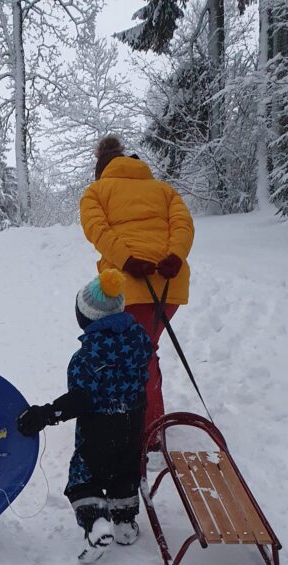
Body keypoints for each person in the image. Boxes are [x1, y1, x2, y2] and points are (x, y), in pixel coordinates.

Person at [16, 269, 152, 563]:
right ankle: (125, 523)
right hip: (134, 421)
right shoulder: (139, 340)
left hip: (99, 430)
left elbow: (81, 400)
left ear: (88, 319)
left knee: (83, 478)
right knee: (125, 471)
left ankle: (96, 523)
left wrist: (46, 414)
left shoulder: (86, 357)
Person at [80, 135, 194, 448]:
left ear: (102, 168)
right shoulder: (163, 190)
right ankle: (141, 421)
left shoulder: (96, 191)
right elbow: (183, 224)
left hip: (128, 284)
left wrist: (126, 260)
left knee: (135, 355)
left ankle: (145, 429)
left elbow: (96, 230)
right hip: (169, 283)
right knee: (143, 350)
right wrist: (174, 256)